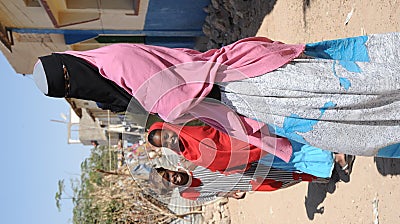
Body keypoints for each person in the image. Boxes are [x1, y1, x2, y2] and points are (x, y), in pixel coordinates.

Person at [32, 32, 400, 158]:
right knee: (337, 121)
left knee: (342, 89)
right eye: (67, 90)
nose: (74, 86)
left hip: (242, 84)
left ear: (69, 62)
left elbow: (173, 101)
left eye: (68, 78)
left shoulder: (116, 59)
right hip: (234, 101)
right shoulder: (107, 77)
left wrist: (165, 116)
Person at [147, 121, 350, 179]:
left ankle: (336, 151)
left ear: (168, 128)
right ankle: (332, 161)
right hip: (247, 159)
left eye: (166, 135)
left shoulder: (191, 127)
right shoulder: (187, 154)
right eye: (165, 143)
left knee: (291, 146)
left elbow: (217, 128)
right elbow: (216, 166)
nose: (170, 139)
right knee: (290, 159)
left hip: (247, 140)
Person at [154, 164, 327, 202]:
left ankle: (320, 174)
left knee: (284, 170)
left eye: (168, 175)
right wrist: (230, 194)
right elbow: (212, 195)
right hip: (246, 184)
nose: (173, 178)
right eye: (169, 182)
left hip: (246, 168)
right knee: (277, 184)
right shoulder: (187, 193)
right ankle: (317, 176)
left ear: (169, 169)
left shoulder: (188, 162)